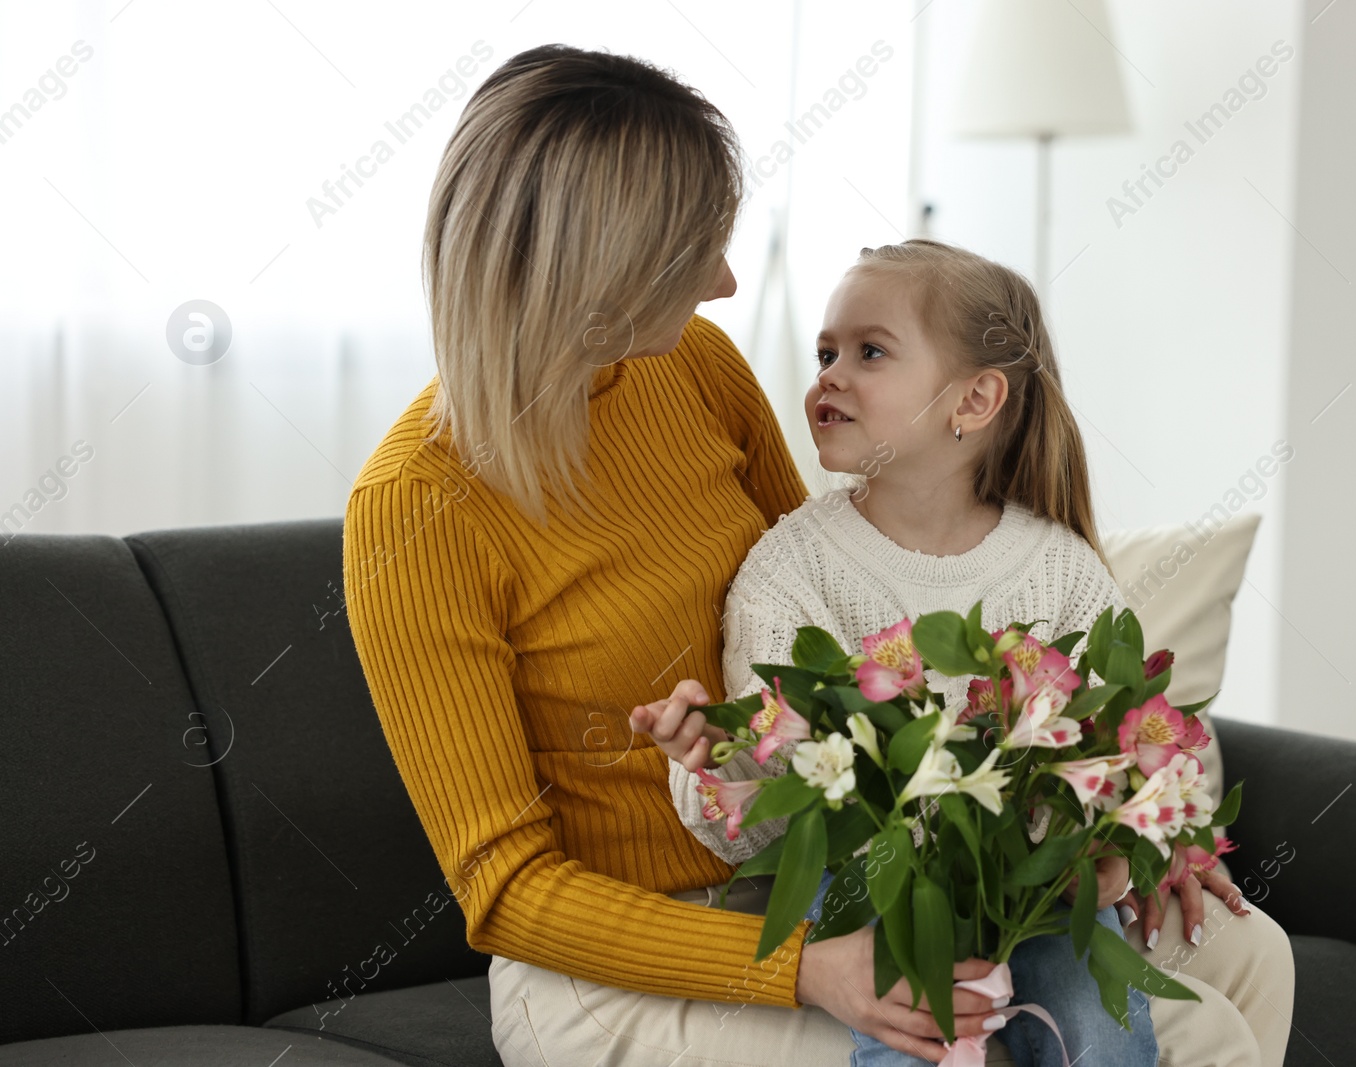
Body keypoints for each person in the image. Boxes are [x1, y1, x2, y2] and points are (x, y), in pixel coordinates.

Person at [342, 45, 1017, 1067]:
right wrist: (799, 963)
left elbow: (829, 621)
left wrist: (1099, 830)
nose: (726, 278)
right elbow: (507, 889)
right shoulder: (415, 509)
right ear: (601, 277)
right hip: (607, 971)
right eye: (696, 249)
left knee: (1235, 959)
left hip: (805, 876)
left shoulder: (692, 365)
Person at [630, 240, 1295, 1067]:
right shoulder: (786, 569)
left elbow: (1124, 747)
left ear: (975, 399)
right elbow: (770, 811)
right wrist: (715, 761)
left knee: (1104, 1036)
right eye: (825, 352)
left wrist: (1136, 847)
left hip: (1036, 895)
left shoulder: (1060, 568)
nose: (830, 375)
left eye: (869, 352)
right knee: (913, 1046)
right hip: (877, 901)